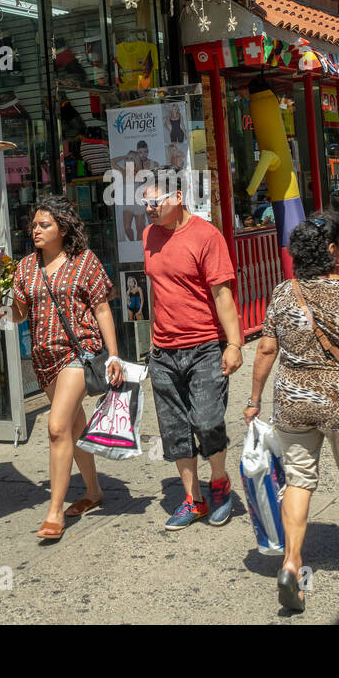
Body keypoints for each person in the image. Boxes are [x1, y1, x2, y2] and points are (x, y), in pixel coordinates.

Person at [245, 212, 339, 611]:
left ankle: (292, 563)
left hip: (292, 399)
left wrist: (254, 400)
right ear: (331, 251)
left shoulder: (283, 292)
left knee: (298, 479)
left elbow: (266, 349)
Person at [10, 196, 125, 541]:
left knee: (57, 426)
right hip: (44, 359)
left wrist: (115, 355)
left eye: (44, 224)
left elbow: (102, 309)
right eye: (33, 225)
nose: (36, 230)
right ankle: (93, 492)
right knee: (74, 427)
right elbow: (17, 315)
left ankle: (54, 512)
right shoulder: (26, 267)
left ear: (62, 227)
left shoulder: (83, 261)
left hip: (78, 351)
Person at [142, 171, 244, 530]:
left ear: (179, 197)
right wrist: (154, 340)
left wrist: (233, 343)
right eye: (146, 202)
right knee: (174, 429)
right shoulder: (149, 235)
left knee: (207, 421)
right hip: (163, 351)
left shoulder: (206, 236)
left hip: (204, 347)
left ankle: (218, 483)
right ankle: (193, 499)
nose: (150, 208)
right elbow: (160, 290)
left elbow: (222, 294)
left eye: (156, 201)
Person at [111, 140, 156, 241]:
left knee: (140, 228)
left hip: (139, 204)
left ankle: (139, 246)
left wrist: (135, 158)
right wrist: (124, 156)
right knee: (127, 228)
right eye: (128, 159)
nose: (128, 160)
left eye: (131, 158)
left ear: (136, 160)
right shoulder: (123, 172)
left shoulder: (140, 172)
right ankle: (131, 242)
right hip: (128, 203)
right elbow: (112, 161)